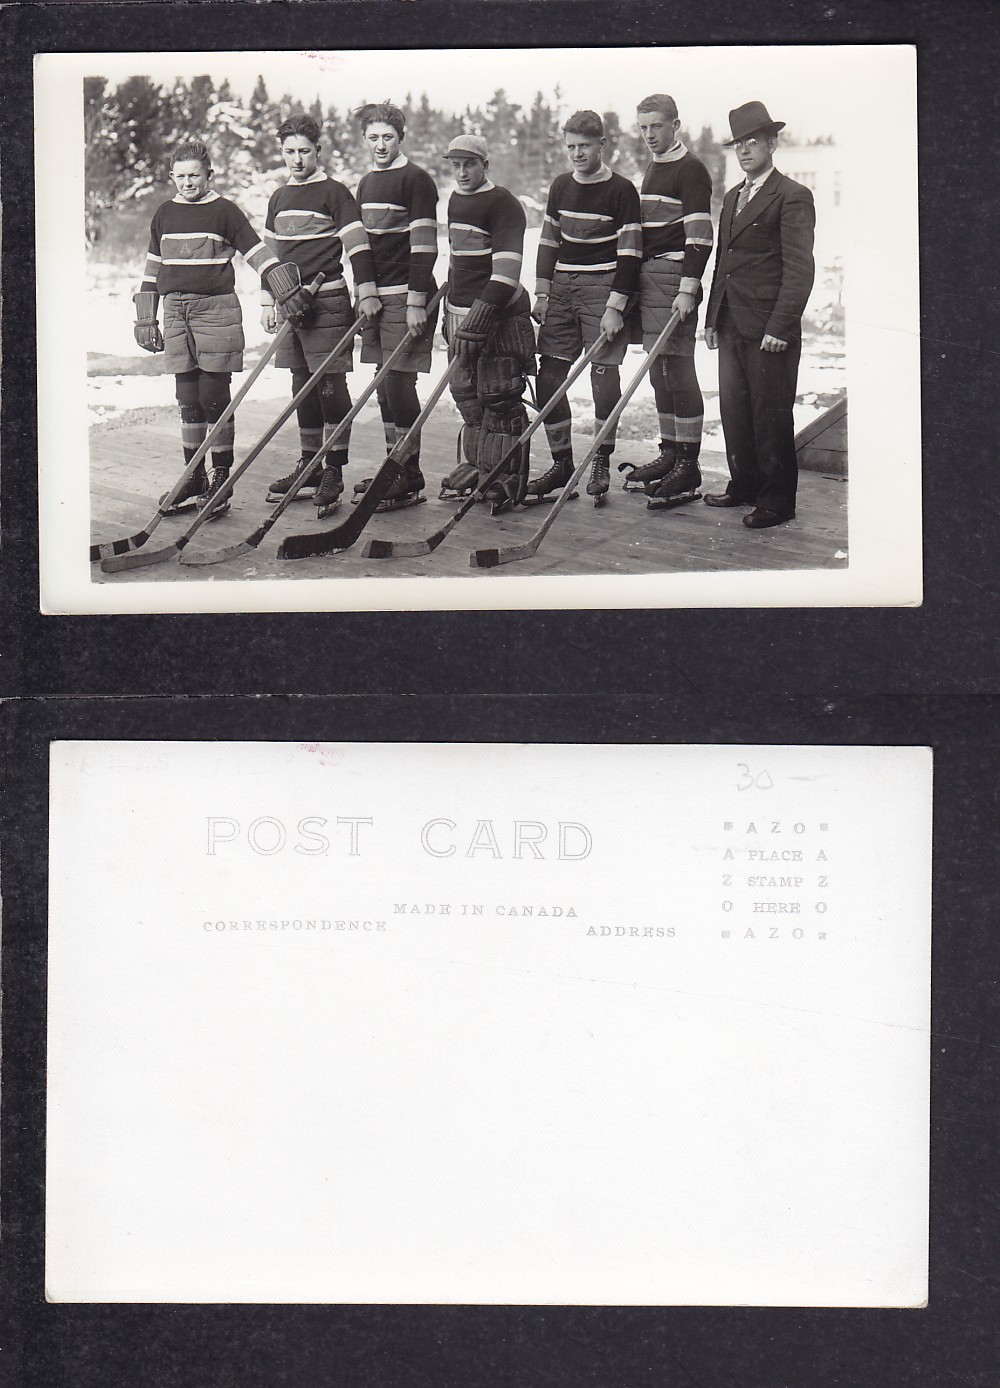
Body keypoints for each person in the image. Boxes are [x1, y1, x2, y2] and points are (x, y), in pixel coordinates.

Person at [133, 140, 313, 517]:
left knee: (214, 393)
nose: (187, 182)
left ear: (209, 174)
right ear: (171, 178)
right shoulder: (164, 214)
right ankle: (193, 476)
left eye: (194, 175)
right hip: (175, 309)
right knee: (187, 394)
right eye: (180, 176)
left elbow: (255, 251)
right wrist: (145, 313)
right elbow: (153, 267)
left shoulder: (224, 211)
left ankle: (220, 478)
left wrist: (280, 283)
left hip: (216, 310)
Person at [261, 116, 381, 517]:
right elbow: (270, 257)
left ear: (318, 151)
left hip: (326, 302)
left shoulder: (335, 193)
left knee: (329, 385)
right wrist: (267, 301)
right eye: (289, 152)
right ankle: (310, 465)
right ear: (282, 153)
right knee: (302, 386)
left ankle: (334, 469)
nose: (297, 159)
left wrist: (366, 292)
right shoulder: (277, 197)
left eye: (304, 151)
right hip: (289, 306)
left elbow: (358, 247)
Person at [704, 101, 815, 528]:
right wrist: (713, 319)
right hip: (732, 324)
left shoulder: (792, 196)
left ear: (772, 143)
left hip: (771, 330)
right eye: (738, 145)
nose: (745, 151)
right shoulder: (733, 196)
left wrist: (781, 326)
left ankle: (777, 502)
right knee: (735, 411)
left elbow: (800, 268)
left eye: (753, 142)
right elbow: (723, 262)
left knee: (770, 415)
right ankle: (744, 485)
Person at [526, 110, 642, 503]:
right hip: (562, 287)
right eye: (571, 146)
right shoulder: (560, 186)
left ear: (602, 145)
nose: (577, 154)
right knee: (550, 373)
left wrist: (615, 306)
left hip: (603, 286)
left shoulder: (622, 190)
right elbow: (547, 242)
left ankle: (600, 458)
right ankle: (561, 464)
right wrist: (542, 293)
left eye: (585, 146)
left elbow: (630, 252)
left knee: (603, 373)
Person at [437, 134, 536, 512]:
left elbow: (507, 272)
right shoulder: (456, 200)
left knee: (500, 399)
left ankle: (506, 477)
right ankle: (478, 467)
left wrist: (480, 314)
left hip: (497, 316)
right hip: (461, 315)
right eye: (456, 165)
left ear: (485, 165)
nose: (462, 172)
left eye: (469, 165)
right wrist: (449, 306)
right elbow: (458, 259)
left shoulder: (504, 204)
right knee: (467, 396)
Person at [625, 93, 714, 509]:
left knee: (678, 370)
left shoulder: (691, 169)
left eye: (656, 127)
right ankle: (669, 453)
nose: (649, 136)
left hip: (674, 278)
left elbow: (699, 236)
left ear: (675, 125)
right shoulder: (652, 168)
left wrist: (687, 287)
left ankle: (689, 462)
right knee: (658, 372)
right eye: (643, 128)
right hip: (649, 278)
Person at [352, 101, 440, 511]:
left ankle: (410, 473)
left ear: (400, 137)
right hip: (378, 297)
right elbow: (362, 247)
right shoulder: (366, 183)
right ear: (364, 139)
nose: (380, 145)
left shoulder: (417, 180)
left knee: (399, 383)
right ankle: (394, 467)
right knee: (384, 387)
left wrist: (416, 300)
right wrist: (366, 291)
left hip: (409, 295)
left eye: (388, 137)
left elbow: (424, 244)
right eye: (373, 138)